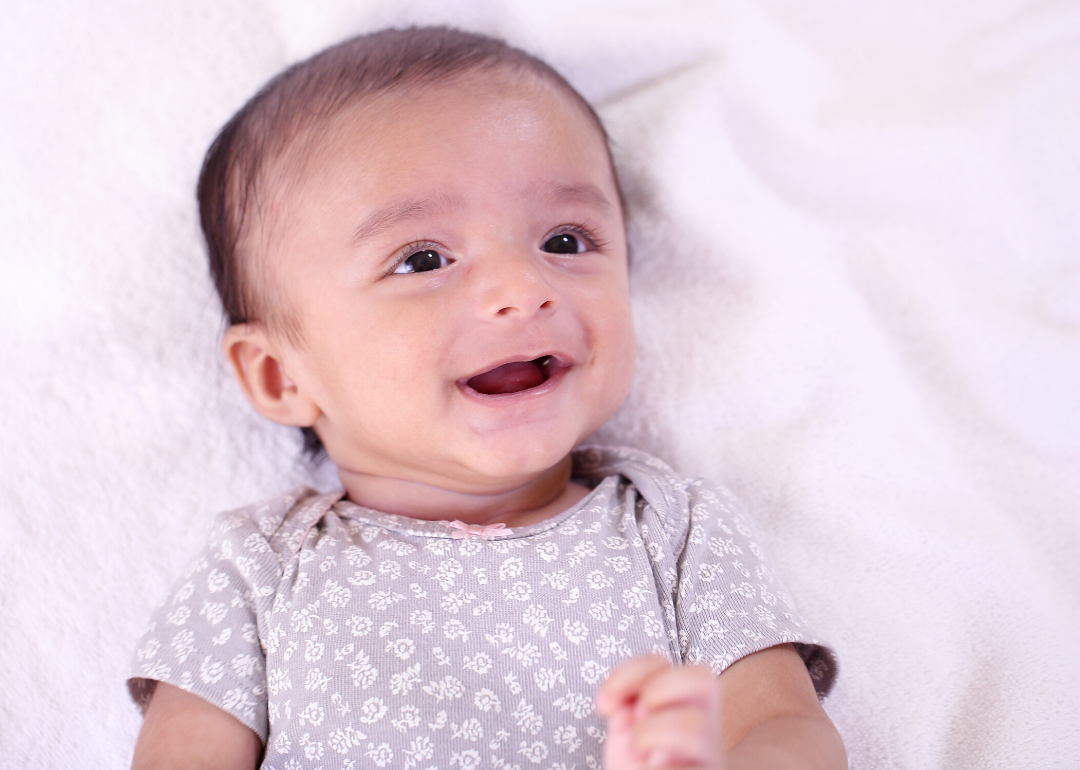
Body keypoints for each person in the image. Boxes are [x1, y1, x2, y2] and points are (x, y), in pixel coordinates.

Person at [128, 26, 846, 770]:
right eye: (424, 259)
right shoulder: (261, 566)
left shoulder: (674, 530)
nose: (522, 288)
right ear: (283, 377)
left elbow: (785, 727)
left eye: (565, 241)